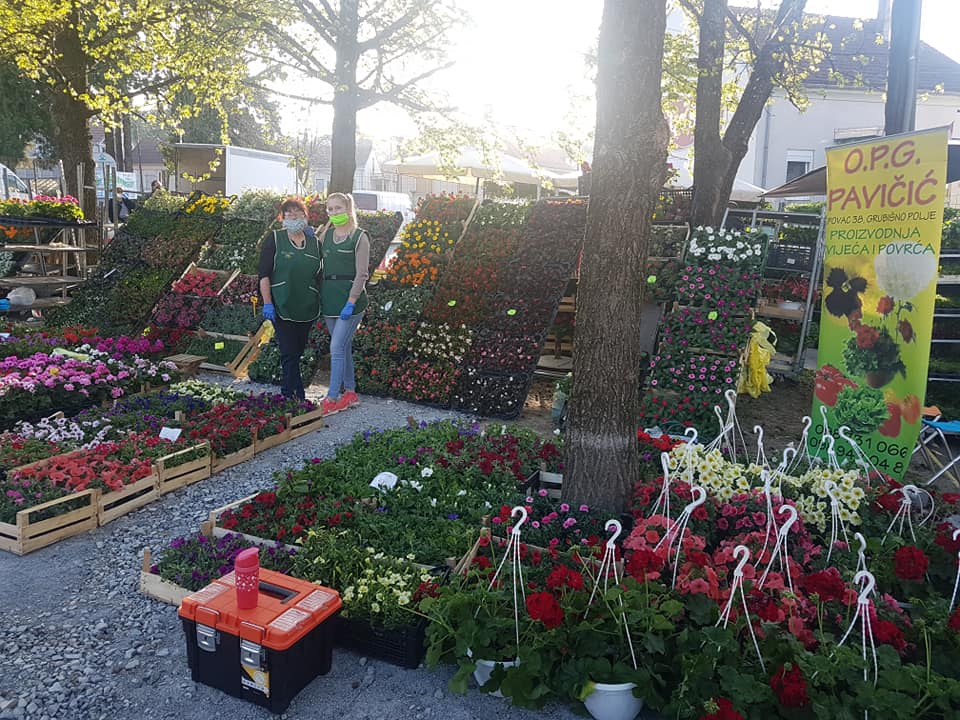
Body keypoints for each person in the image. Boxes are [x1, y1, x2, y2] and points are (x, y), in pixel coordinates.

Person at [258, 197, 322, 401]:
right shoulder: (275, 239)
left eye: (299, 213)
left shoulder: (315, 243)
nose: (294, 216)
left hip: (306, 306)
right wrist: (267, 303)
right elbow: (264, 274)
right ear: (282, 217)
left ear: (306, 216)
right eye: (290, 213)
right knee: (288, 351)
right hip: (281, 304)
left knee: (297, 350)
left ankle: (294, 394)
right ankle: (292, 394)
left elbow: (320, 274)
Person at [319, 192, 369, 415]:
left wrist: (352, 301)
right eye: (330, 209)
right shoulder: (326, 236)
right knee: (343, 346)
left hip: (350, 299)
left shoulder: (359, 237)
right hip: (329, 298)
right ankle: (351, 392)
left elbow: (362, 274)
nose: (333, 212)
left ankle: (332, 397)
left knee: (336, 347)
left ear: (348, 209)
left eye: (337, 208)